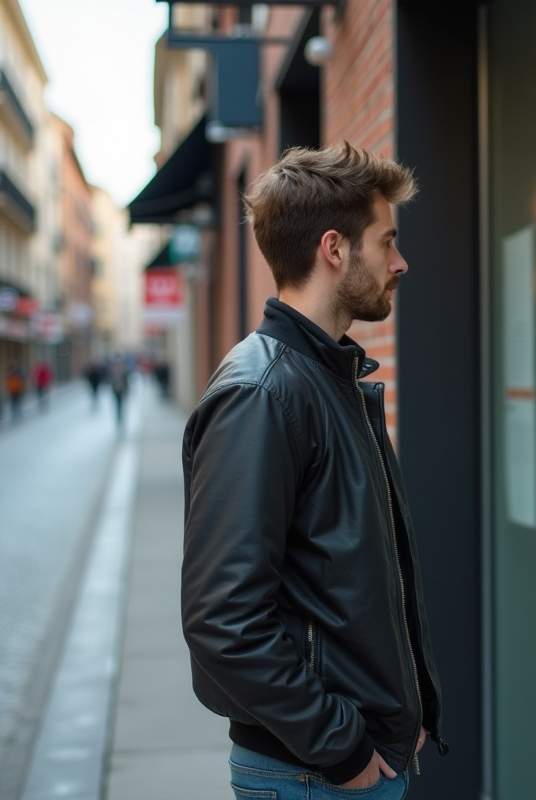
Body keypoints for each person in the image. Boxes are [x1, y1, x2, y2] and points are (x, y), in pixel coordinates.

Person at [182, 143, 446, 800]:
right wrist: (341, 746)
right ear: (335, 249)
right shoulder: (265, 393)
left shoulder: (329, 378)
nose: (400, 262)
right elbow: (223, 618)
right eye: (386, 242)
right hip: (312, 775)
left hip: (344, 764)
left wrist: (396, 713)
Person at [108, 360, 129, 429]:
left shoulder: (124, 373)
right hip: (116, 392)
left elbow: (126, 383)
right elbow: (112, 383)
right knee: (117, 406)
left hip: (122, 392)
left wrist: (127, 391)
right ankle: (118, 418)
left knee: (121, 406)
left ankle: (121, 418)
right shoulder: (113, 374)